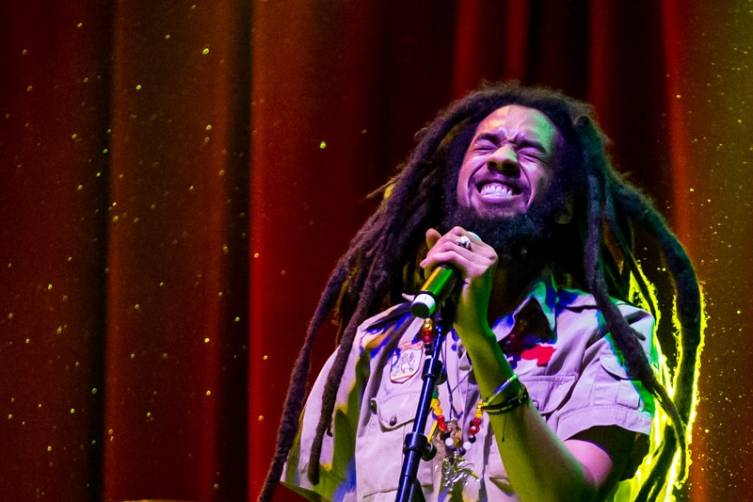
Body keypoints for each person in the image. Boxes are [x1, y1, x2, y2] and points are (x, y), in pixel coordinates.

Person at [259, 83, 703, 501]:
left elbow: (572, 496)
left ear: (566, 207)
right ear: (455, 185)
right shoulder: (377, 344)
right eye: (486, 145)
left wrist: (480, 341)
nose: (503, 158)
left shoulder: (605, 336)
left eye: (529, 152)